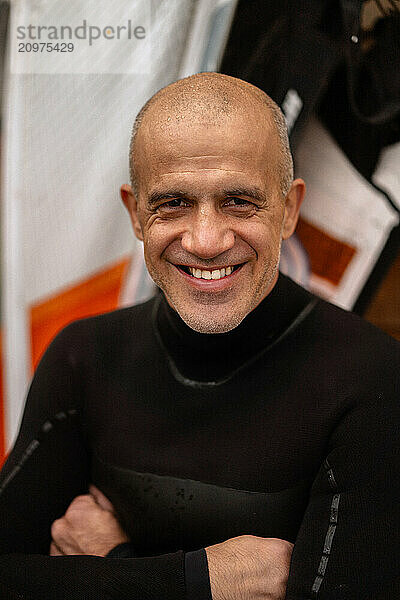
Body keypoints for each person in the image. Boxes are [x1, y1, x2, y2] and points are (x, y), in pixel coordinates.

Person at [0, 72, 399, 600]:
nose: (206, 240)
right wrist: (197, 580)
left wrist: (106, 568)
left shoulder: (373, 379)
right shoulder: (84, 356)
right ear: (136, 214)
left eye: (238, 201)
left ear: (288, 209)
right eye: (173, 203)